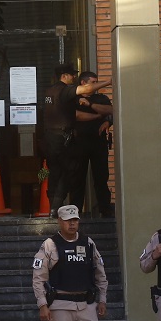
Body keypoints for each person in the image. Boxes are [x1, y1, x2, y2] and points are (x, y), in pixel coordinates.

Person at [40, 64, 110, 212]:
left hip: (52, 139)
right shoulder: (64, 91)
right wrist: (109, 82)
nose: (74, 77)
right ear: (64, 76)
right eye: (72, 75)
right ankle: (58, 208)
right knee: (68, 173)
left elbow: (76, 114)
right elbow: (86, 91)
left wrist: (97, 114)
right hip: (63, 140)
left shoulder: (50, 91)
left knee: (56, 174)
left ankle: (54, 209)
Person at [75, 71, 113, 218]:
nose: (96, 85)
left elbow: (110, 111)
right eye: (93, 82)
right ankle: (76, 210)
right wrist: (98, 115)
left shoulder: (101, 98)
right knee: (78, 178)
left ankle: (105, 209)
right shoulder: (75, 98)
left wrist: (107, 120)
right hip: (79, 143)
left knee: (101, 177)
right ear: (83, 83)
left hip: (99, 143)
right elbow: (76, 116)